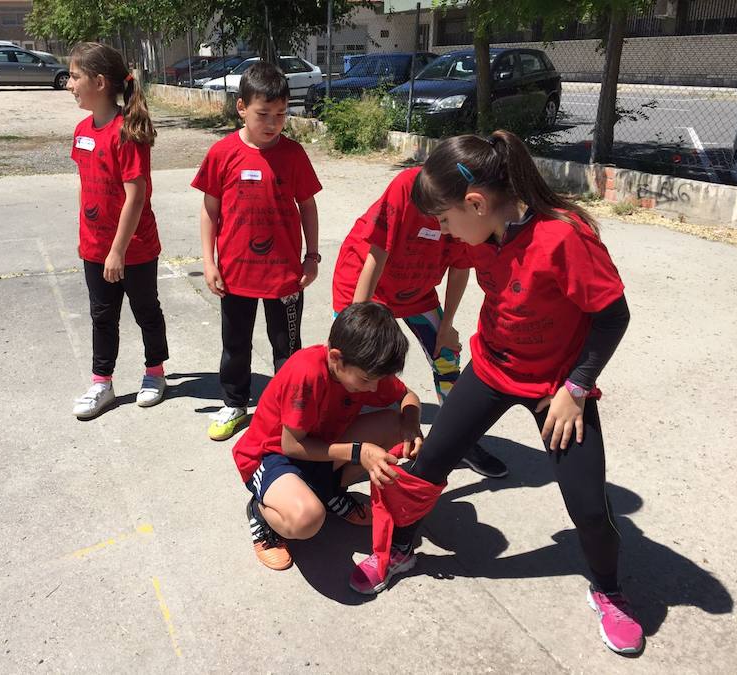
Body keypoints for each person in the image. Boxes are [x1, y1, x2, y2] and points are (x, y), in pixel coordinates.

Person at [350, 130, 643, 655]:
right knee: (426, 466)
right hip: (491, 368)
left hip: (556, 386)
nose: (441, 233)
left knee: (590, 508)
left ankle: (610, 590)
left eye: (444, 220)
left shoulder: (564, 238)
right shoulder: (484, 234)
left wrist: (576, 387)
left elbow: (613, 316)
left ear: (477, 203)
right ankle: (399, 550)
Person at [332, 167, 508, 479]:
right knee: (354, 362)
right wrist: (358, 318)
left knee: (447, 358)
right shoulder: (407, 187)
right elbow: (377, 252)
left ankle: (459, 441)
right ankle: (335, 434)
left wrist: (447, 325)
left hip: (417, 289)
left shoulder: (468, 210)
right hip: (366, 282)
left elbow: (460, 267)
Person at [234, 302, 424, 570]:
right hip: (273, 455)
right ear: (335, 358)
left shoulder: (365, 368)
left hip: (321, 444)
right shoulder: (306, 373)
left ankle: (328, 490)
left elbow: (407, 396)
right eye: (367, 380)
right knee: (307, 519)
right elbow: (292, 445)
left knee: (395, 425)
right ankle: (262, 513)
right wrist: (359, 451)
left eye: (379, 380)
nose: (374, 389)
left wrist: (411, 423)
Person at [192, 62, 322, 441]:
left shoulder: (294, 154)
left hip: (285, 277)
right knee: (235, 344)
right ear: (241, 108)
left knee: (287, 349)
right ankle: (234, 403)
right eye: (263, 114)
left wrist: (311, 257)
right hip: (235, 273)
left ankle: (287, 412)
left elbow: (308, 207)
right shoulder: (222, 153)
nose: (273, 123)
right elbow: (209, 209)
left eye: (281, 114)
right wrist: (208, 261)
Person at [67, 42, 168, 419]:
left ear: (99, 82)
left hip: (133, 248)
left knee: (145, 310)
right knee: (102, 316)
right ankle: (102, 383)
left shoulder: (127, 132)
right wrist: (89, 237)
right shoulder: (81, 130)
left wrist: (117, 250)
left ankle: (155, 372)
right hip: (94, 247)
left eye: (75, 77)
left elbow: (136, 196)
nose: (70, 84)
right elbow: (84, 182)